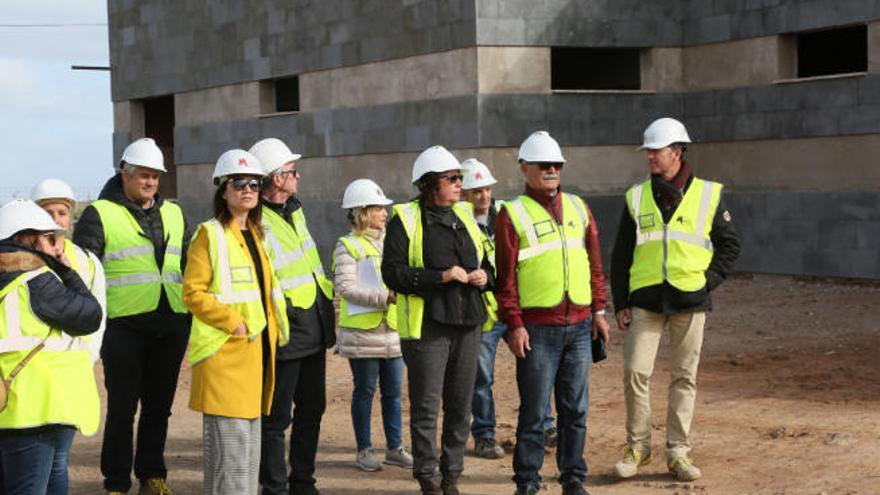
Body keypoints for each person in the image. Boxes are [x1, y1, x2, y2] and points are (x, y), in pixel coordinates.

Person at [610, 117, 740, 482]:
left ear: (677, 152)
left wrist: (707, 282)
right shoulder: (635, 197)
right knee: (635, 371)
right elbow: (621, 254)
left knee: (684, 377)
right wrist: (621, 301)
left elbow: (731, 245)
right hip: (646, 300)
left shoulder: (710, 193)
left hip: (690, 300)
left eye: (656, 150)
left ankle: (678, 453)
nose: (650, 156)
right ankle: (638, 447)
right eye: (648, 151)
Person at [494, 131, 610, 495]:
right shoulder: (511, 213)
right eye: (543, 164)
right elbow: (505, 278)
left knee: (575, 410)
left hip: (579, 326)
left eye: (556, 165)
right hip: (537, 331)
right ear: (524, 168)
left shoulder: (578, 207)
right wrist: (513, 324)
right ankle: (527, 481)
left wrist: (600, 310)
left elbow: (594, 264)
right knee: (533, 412)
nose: (551, 170)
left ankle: (573, 478)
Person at [74, 137, 191, 495]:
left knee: (159, 407)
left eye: (155, 176)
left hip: (170, 321)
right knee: (123, 409)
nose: (150, 182)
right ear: (124, 174)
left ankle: (152, 474)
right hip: (123, 326)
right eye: (143, 175)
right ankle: (116, 482)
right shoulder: (99, 214)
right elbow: (84, 273)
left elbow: (187, 264)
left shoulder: (174, 212)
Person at [382, 145, 495, 495]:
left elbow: (491, 264)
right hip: (429, 325)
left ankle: (452, 475)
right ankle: (428, 477)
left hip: (469, 322)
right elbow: (393, 273)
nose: (461, 183)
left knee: (461, 406)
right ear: (431, 184)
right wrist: (440, 277)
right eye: (453, 178)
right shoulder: (406, 218)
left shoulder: (465, 216)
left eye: (460, 177)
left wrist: (483, 277)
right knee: (427, 407)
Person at [183, 150, 289, 494]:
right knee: (231, 453)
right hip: (225, 356)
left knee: (245, 451)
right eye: (239, 183)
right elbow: (193, 293)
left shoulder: (258, 236)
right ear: (223, 190)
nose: (248, 189)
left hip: (256, 356)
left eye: (255, 184)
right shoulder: (209, 235)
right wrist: (234, 323)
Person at [249, 138, 335, 495]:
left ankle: (303, 481)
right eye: (291, 171)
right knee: (276, 418)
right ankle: (274, 487)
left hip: (314, 327)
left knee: (312, 409)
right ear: (275, 178)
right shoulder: (256, 222)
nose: (298, 176)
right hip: (286, 334)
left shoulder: (295, 211)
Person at [0, 199, 102, 494]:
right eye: (49, 237)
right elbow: (90, 315)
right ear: (28, 238)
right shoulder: (36, 280)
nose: (57, 245)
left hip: (12, 403)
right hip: (37, 407)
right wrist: (66, 270)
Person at [332, 179, 413, 472]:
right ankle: (364, 449)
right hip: (362, 334)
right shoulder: (347, 246)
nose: (384, 213)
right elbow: (345, 287)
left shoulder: (391, 243)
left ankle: (395, 448)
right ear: (362, 212)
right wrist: (385, 297)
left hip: (392, 333)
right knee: (364, 391)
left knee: (393, 394)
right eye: (378, 208)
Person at [32, 178, 107, 362]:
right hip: (35, 363)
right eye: (48, 213)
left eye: (62, 213)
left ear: (70, 218)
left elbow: (99, 311)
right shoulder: (20, 259)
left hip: (77, 363)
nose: (55, 219)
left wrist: (89, 355)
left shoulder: (88, 261)